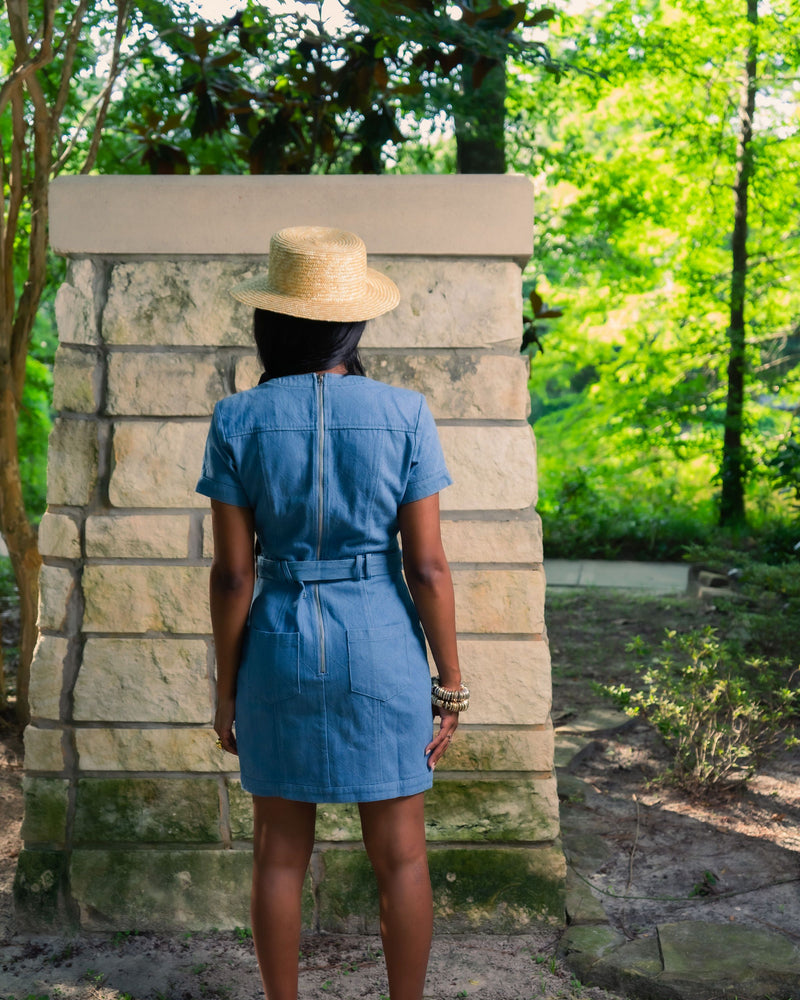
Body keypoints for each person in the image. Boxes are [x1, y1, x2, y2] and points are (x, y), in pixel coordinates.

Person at [195, 225, 468, 1000]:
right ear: (354, 321)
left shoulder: (237, 419)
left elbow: (232, 574)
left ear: (269, 320)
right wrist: (450, 683)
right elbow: (426, 565)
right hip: (382, 644)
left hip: (277, 647)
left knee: (280, 853)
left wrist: (226, 690)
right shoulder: (405, 413)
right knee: (404, 858)